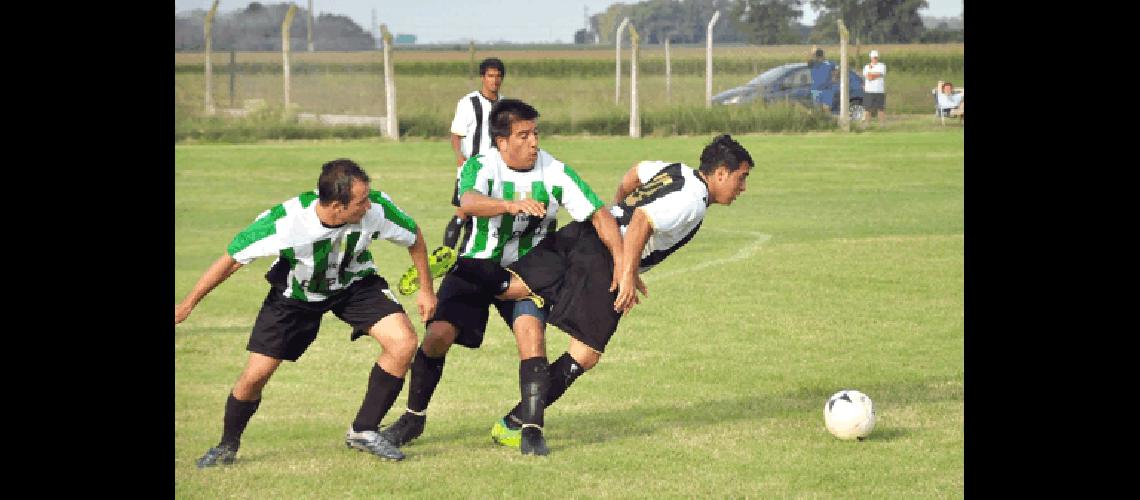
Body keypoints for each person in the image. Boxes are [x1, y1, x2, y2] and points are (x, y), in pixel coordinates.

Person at [451, 134, 754, 450]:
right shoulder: (692, 202)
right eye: (741, 178)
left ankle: (463, 271)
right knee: (585, 353)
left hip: (590, 232)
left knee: (514, 288)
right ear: (721, 173)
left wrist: (614, 213)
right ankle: (514, 423)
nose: (742, 188)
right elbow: (642, 221)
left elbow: (635, 174)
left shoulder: (676, 170)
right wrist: (626, 273)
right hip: (605, 260)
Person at [378, 99, 625, 456]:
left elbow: (600, 215)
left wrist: (621, 264)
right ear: (501, 142)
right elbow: (469, 200)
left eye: (536, 133)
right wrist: (511, 205)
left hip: (528, 273)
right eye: (523, 135)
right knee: (436, 337)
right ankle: (413, 417)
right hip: (477, 266)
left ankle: (531, 429)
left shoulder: (553, 170)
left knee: (531, 336)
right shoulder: (481, 166)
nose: (534, 142)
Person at [175, 159, 439, 467]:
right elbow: (233, 259)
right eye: (361, 201)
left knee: (403, 342)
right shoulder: (286, 222)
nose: (370, 205)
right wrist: (188, 304)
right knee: (255, 375)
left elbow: (413, 235)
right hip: (295, 297)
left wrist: (426, 289)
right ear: (337, 206)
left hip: (354, 283)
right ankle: (226, 445)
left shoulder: (376, 209)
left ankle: (364, 430)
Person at [396, 58, 507, 297]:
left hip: (495, 172)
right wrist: (459, 157)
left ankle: (463, 261)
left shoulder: (505, 105)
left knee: (479, 216)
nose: (494, 80)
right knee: (465, 211)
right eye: (490, 75)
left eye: (498, 76)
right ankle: (445, 254)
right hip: (471, 170)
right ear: (482, 77)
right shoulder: (469, 103)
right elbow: (456, 135)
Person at [807, 46, 838, 112]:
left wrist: (812, 52)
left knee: (818, 111)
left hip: (816, 90)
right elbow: (835, 74)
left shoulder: (812, 64)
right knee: (826, 110)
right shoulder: (830, 64)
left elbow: (809, 60)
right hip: (827, 90)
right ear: (823, 55)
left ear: (815, 56)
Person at [862, 49, 887, 125]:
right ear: (871, 58)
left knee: (880, 109)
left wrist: (873, 75)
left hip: (879, 91)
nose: (875, 59)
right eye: (874, 57)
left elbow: (879, 74)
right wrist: (875, 75)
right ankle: (867, 124)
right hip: (869, 91)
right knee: (867, 109)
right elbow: (868, 77)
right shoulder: (866, 66)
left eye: (876, 57)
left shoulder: (882, 66)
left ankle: (882, 125)